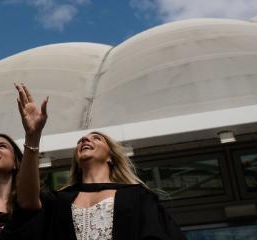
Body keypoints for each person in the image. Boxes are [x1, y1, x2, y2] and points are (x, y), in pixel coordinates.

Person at [10, 83, 185, 240]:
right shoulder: (60, 200)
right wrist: (33, 136)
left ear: (110, 156)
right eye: (81, 140)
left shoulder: (137, 196)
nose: (85, 140)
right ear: (77, 161)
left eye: (96, 138)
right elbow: (26, 202)